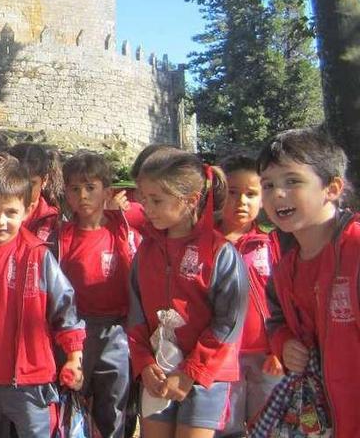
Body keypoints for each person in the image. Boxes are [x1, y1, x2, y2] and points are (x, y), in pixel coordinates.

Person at [0, 153, 85, 437]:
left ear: (27, 210)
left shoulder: (37, 255)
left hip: (30, 378)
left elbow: (65, 307)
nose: (0, 220)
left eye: (10, 212)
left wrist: (74, 357)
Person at [127, 149, 248, 438]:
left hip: (206, 377)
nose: (147, 208)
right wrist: (143, 363)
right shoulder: (145, 252)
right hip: (157, 372)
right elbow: (135, 313)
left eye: (157, 200)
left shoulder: (219, 253)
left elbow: (228, 322)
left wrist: (190, 372)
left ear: (191, 200)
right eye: (144, 199)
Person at [259, 128, 360, 436]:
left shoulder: (355, 250)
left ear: (332, 188)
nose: (277, 194)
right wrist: (284, 343)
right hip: (319, 420)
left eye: (293, 181)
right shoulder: (285, 266)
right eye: (268, 185)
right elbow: (275, 320)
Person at [58, 151, 139, 438]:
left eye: (91, 188)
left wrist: (121, 209)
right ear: (66, 193)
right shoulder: (64, 236)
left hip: (117, 328)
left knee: (113, 403)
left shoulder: (123, 227)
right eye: (75, 189)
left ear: (106, 190)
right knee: (73, 399)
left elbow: (152, 209)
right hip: (77, 330)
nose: (83, 196)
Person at [214, 155, 282, 437]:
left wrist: (280, 347)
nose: (242, 201)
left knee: (269, 425)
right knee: (223, 427)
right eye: (232, 193)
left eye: (251, 194)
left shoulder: (273, 244)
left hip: (268, 357)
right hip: (220, 357)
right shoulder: (206, 245)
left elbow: (286, 304)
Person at [8, 143, 64, 242]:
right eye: (17, 181)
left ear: (44, 180)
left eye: (31, 183)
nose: (24, 190)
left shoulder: (55, 222)